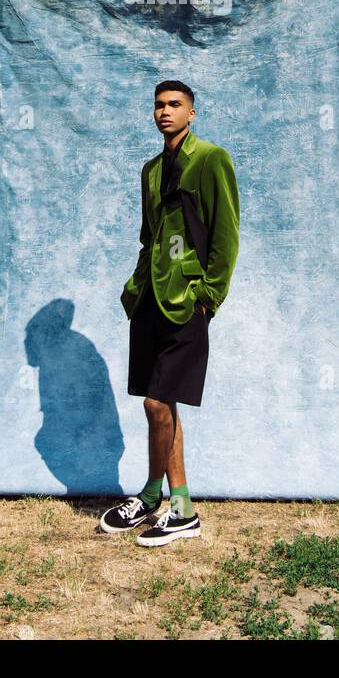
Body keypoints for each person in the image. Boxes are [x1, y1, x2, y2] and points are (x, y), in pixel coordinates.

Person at [99, 80, 240, 547]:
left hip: (187, 300)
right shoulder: (151, 170)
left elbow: (226, 234)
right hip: (149, 300)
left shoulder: (211, 160)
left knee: (157, 402)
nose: (165, 111)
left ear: (192, 114)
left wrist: (209, 295)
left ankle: (171, 503)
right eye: (158, 105)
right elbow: (149, 235)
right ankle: (164, 500)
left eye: (174, 105)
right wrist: (135, 287)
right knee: (161, 404)